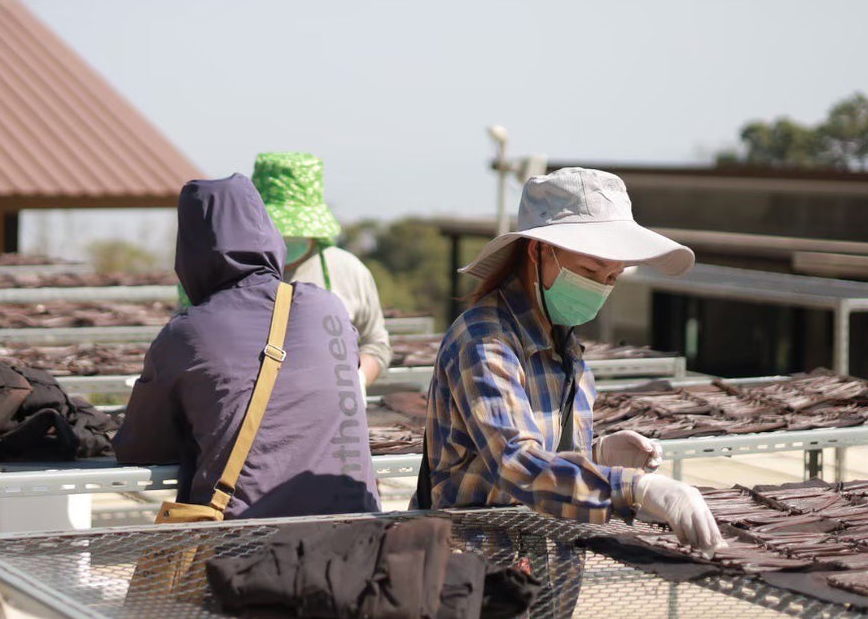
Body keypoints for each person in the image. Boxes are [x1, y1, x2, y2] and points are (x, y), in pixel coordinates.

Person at [422, 167, 723, 553]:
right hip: (479, 578)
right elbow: (516, 463)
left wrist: (597, 453)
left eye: (612, 276)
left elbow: (538, 451)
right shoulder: (485, 340)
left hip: (548, 575)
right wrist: (633, 489)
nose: (600, 286)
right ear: (538, 251)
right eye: (589, 270)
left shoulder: (565, 343)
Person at [115, 173, 381, 519]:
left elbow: (139, 446)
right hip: (355, 535)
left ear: (191, 249)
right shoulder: (328, 307)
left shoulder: (187, 333)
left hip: (247, 547)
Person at [251, 151, 392, 388]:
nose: (286, 235)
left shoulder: (349, 271)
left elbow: (376, 344)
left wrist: (357, 381)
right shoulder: (231, 271)